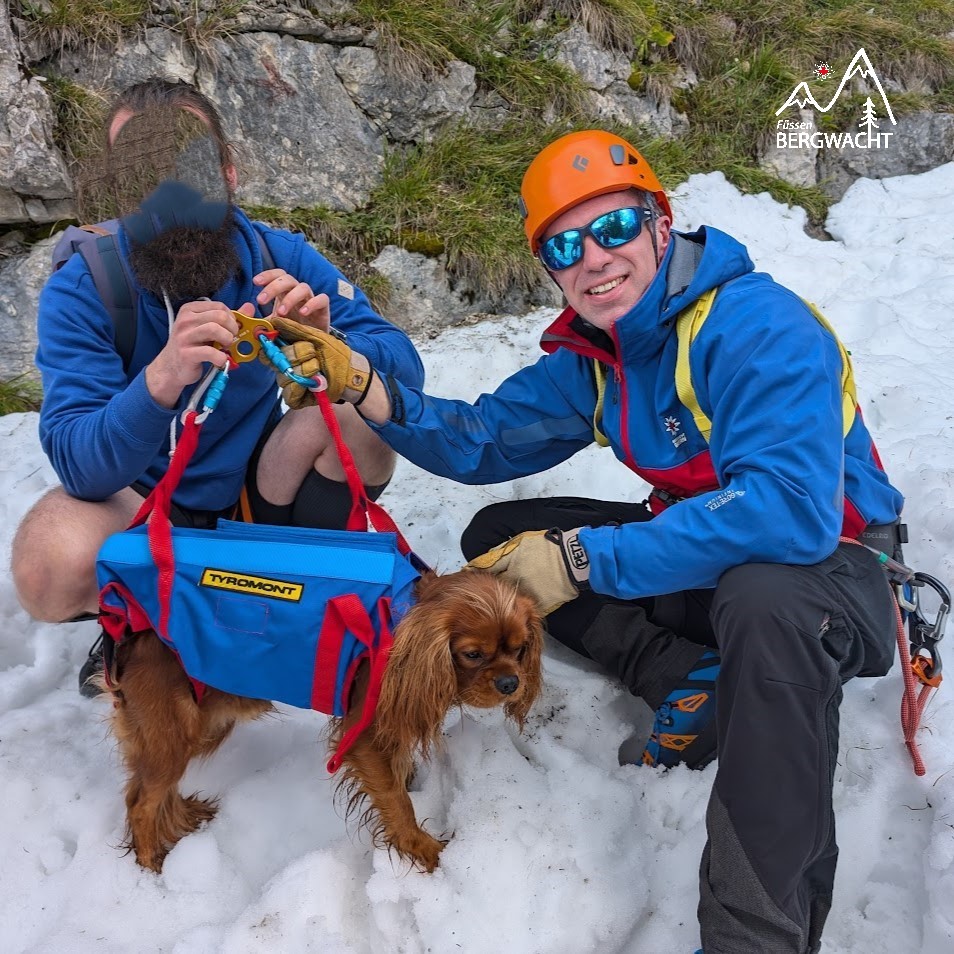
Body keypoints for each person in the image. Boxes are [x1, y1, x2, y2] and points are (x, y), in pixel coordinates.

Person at [262, 130, 904, 954]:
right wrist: (366, 388)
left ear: (660, 224)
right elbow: (484, 439)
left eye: (614, 229)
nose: (594, 259)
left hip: (831, 576)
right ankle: (688, 678)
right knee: (503, 536)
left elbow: (788, 514)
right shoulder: (600, 355)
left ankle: (755, 937)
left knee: (761, 596)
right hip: (717, 563)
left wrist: (579, 560)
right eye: (565, 246)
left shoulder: (755, 325)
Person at [11, 78, 424, 695]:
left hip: (256, 496)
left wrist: (334, 347)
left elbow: (404, 367)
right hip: (143, 509)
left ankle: (295, 599)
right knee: (48, 563)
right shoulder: (86, 286)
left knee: (362, 420)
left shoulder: (273, 254)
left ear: (228, 173)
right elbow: (77, 460)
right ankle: (140, 620)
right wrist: (158, 382)